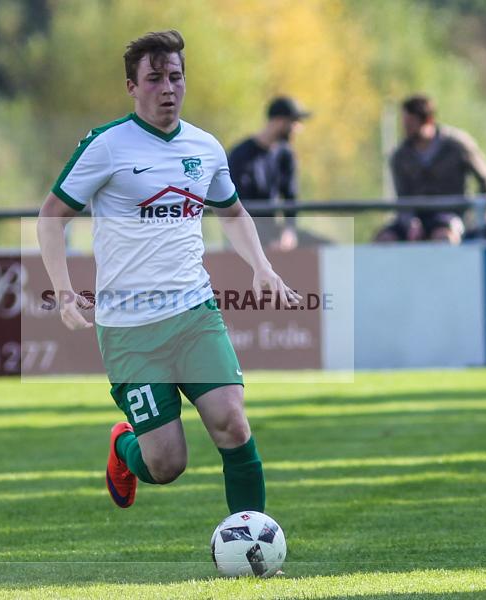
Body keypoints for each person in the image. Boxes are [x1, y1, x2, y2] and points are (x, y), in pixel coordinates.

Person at [37, 30, 300, 514]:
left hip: (193, 314)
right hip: (130, 330)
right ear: (132, 88)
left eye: (175, 77)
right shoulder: (107, 146)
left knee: (232, 424)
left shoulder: (206, 147)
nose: (168, 89)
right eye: (154, 79)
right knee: (166, 463)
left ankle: (255, 543)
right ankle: (123, 446)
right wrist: (64, 290)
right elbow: (52, 215)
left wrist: (262, 267)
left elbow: (234, 212)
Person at [375, 94, 486, 244]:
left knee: (443, 237)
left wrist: (483, 216)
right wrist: (410, 222)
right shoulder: (400, 155)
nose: (405, 128)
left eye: (410, 123)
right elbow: (402, 197)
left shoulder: (456, 145)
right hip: (415, 218)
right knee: (384, 239)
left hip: (449, 215)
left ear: (428, 120)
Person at [227, 97, 310, 251]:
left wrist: (289, 231)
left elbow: (290, 199)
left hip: (274, 231)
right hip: (245, 235)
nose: (298, 128)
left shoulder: (285, 155)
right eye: (294, 122)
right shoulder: (240, 155)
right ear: (279, 121)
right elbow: (238, 206)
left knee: (327, 247)